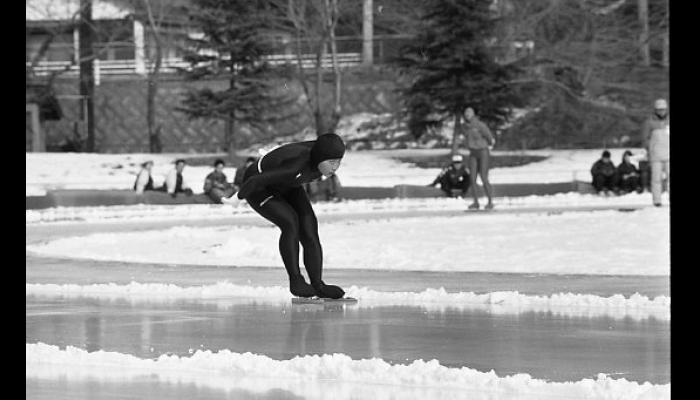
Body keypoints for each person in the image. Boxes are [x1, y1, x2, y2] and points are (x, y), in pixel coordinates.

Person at [223, 133, 347, 299]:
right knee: (290, 223)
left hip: (287, 184)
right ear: (319, 157)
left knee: (309, 227)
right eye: (332, 162)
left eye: (338, 161)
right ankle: (296, 281)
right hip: (258, 186)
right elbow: (254, 181)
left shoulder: (319, 158)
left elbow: (325, 145)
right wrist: (235, 199)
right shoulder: (296, 165)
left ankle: (318, 285)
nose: (335, 167)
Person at [462, 107, 495, 210]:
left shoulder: (480, 125)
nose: (467, 114)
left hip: (483, 152)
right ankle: (475, 202)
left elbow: (489, 137)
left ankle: (490, 201)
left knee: (484, 177)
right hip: (473, 153)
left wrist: (488, 145)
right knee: (472, 178)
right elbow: (466, 138)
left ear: (473, 114)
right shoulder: (464, 126)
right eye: (466, 112)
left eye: (469, 112)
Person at [642, 98, 670, 206]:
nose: (661, 112)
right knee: (656, 179)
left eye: (663, 109)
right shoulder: (649, 122)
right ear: (655, 110)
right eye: (659, 110)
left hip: (668, 155)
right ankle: (657, 201)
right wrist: (649, 150)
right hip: (655, 156)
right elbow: (645, 138)